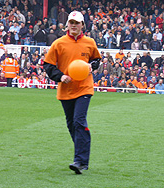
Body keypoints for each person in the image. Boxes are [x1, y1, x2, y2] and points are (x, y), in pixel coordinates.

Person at [43, 11, 101, 174]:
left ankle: (80, 161)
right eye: (71, 22)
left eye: (77, 23)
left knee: (78, 121)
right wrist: (60, 76)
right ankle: (81, 158)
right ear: (67, 24)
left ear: (82, 25)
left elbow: (96, 60)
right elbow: (48, 65)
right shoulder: (58, 43)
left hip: (84, 88)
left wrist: (91, 66)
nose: (74, 25)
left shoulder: (90, 42)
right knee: (72, 126)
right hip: (65, 90)